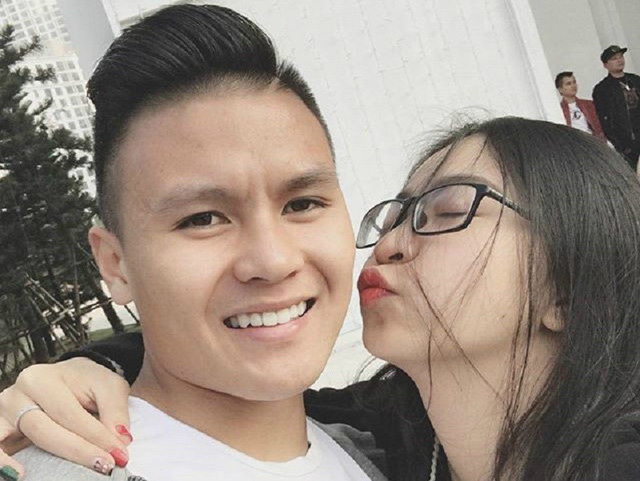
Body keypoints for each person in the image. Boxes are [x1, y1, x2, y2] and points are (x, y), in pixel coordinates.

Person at [3, 117, 640, 481]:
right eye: (397, 213)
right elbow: (220, 382)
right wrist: (92, 371)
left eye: (447, 211)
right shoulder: (382, 440)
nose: (389, 244)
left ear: (570, 291)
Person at [0, 4, 388, 480]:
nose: (273, 260)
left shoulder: (383, 452)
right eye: (203, 219)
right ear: (115, 264)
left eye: (301, 203)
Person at [592, 45, 640, 170]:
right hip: (628, 143)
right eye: (614, 58)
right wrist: (620, 146)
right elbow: (604, 121)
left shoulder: (635, 80)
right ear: (605, 65)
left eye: (620, 57)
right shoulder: (602, 89)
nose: (619, 60)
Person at [555, 71, 605, 141]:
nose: (573, 86)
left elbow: (599, 126)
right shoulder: (559, 111)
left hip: (593, 141)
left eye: (574, 82)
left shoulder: (589, 104)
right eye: (568, 84)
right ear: (560, 89)